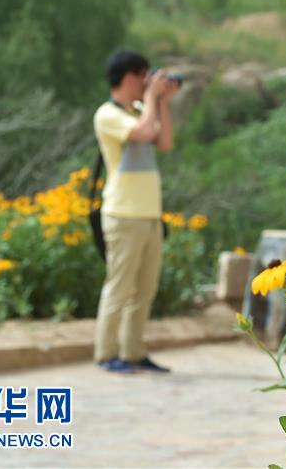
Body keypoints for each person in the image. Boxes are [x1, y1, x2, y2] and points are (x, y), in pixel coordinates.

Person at [92, 50, 178, 374]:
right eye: (144, 75)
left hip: (149, 215)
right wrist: (153, 98)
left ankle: (134, 351)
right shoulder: (108, 114)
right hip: (123, 215)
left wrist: (162, 102)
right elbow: (142, 132)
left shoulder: (143, 109)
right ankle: (107, 353)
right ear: (129, 76)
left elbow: (164, 141)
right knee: (120, 286)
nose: (147, 81)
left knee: (144, 288)